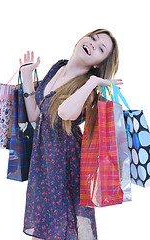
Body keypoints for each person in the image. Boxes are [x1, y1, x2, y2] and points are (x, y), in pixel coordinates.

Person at [19, 29, 123, 240]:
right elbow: (35, 115)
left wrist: (92, 82)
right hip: (43, 162)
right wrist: (26, 75)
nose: (93, 44)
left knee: (62, 229)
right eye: (93, 38)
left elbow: (64, 112)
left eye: (101, 48)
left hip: (65, 165)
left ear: (98, 63)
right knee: (43, 230)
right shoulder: (58, 66)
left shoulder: (90, 91)